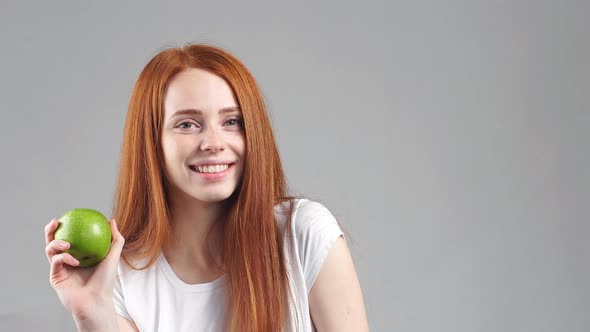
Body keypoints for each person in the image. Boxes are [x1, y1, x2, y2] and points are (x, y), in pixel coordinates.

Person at [44, 43, 369, 332]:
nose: (214, 143)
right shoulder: (121, 274)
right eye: (187, 124)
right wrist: (90, 314)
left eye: (232, 122)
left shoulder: (302, 235)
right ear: (151, 143)